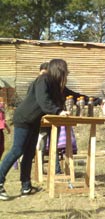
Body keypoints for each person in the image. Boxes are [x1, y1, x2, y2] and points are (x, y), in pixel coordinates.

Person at [0, 59, 71, 200]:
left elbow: (72, 94)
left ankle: (26, 186)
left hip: (34, 121)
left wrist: (98, 101)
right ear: (59, 70)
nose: (66, 73)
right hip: (24, 118)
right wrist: (58, 111)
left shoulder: (55, 86)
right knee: (17, 150)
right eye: (65, 70)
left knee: (29, 153)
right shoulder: (43, 79)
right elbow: (43, 100)